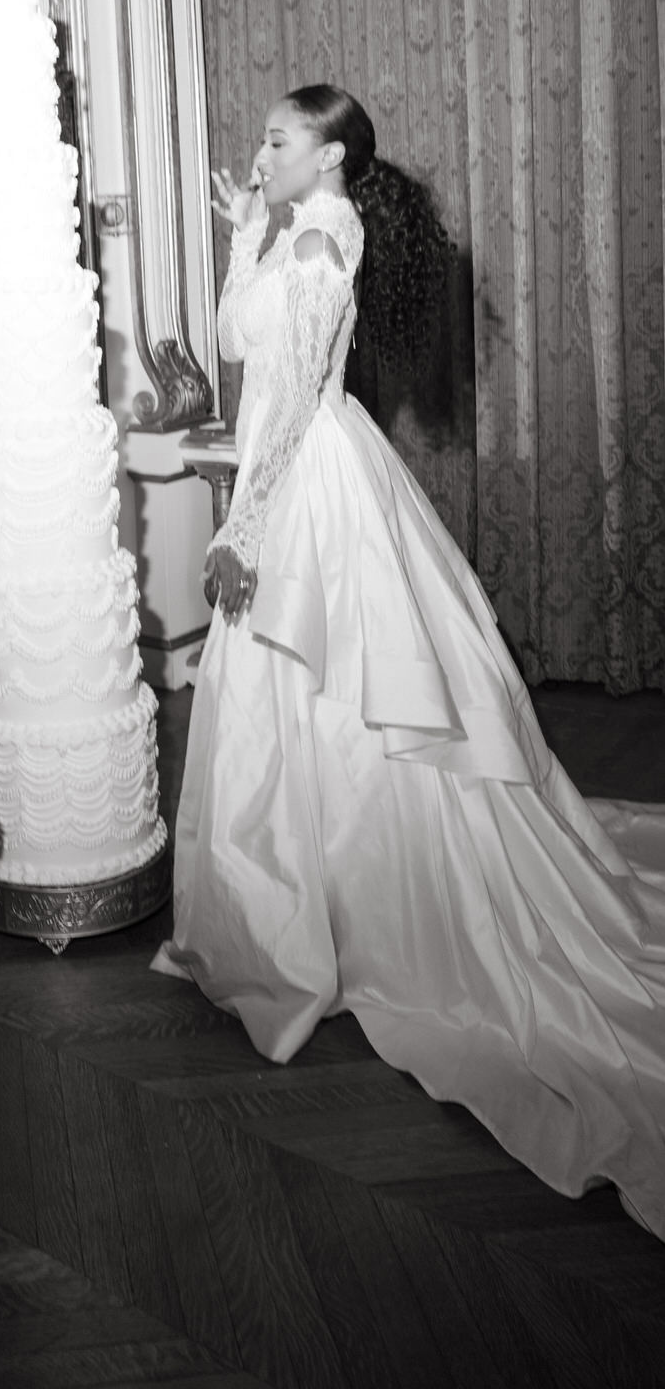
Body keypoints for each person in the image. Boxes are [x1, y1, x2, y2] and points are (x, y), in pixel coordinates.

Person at [153, 84, 665, 1238]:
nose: (259, 150)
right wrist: (242, 233)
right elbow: (238, 349)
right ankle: (308, 903)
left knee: (337, 698)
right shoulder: (299, 227)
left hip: (306, 487)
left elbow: (288, 406)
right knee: (301, 703)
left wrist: (241, 533)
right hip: (297, 472)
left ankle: (337, 914)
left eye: (277, 139)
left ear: (329, 153)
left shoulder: (324, 237)